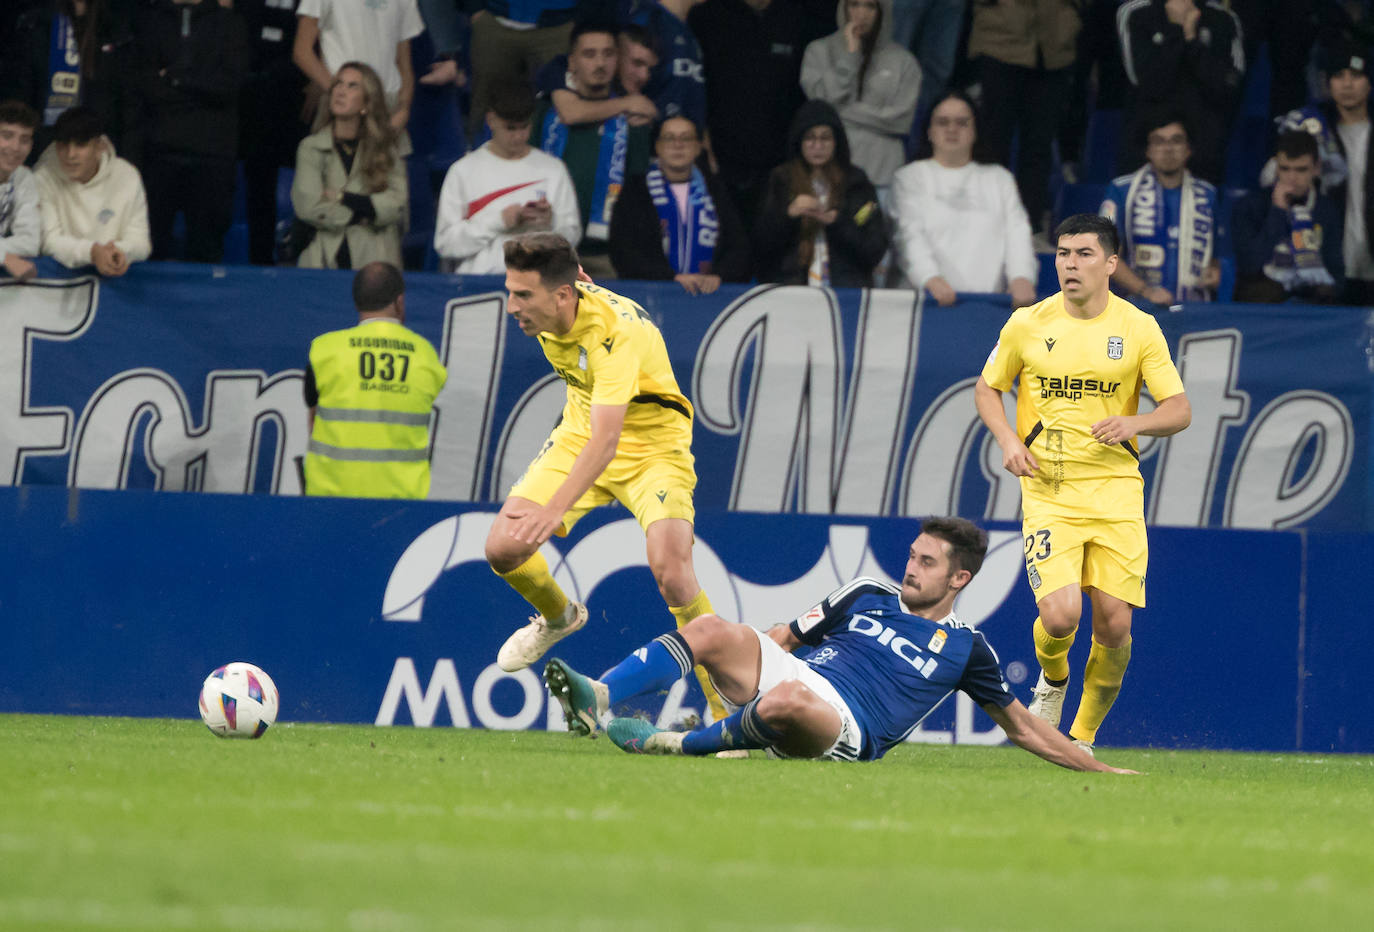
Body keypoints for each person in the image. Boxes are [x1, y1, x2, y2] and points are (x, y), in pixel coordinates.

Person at [542, 516, 1134, 772]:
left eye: (927, 563)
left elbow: (1025, 728)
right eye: (912, 555)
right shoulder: (866, 593)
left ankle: (672, 744)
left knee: (789, 703)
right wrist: (741, 667)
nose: (911, 568)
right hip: (792, 678)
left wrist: (1095, 765)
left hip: (845, 727)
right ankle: (597, 695)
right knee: (714, 629)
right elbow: (784, 638)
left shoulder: (967, 649)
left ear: (959, 579)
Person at [487, 232, 730, 722]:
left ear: (560, 296)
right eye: (510, 291)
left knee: (673, 572)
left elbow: (608, 442)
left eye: (523, 295)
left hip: (653, 447)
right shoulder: (561, 300)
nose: (512, 306)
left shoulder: (613, 337)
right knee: (504, 548)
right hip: (581, 431)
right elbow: (575, 276)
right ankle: (559, 618)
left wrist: (554, 512)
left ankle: (726, 711)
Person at [974, 213, 1191, 755]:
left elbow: (1180, 409)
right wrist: (1008, 440)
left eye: (1084, 254)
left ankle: (1083, 739)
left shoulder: (1139, 328)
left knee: (1114, 626)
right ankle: (1052, 679)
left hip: (1116, 488)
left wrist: (1135, 423)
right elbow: (986, 389)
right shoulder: (1027, 323)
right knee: (1061, 614)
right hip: (1050, 486)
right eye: (1063, 253)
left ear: (1111, 263)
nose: (1070, 264)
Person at [303, 262, 447, 499]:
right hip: (402, 502)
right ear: (399, 302)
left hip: (329, 498)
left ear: (357, 301)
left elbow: (313, 421)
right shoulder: (425, 354)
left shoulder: (324, 350)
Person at [689, 0, 833, 223]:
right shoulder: (707, 17)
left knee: (773, 244)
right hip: (721, 161)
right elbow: (694, 84)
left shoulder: (803, 17)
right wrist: (701, 133)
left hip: (781, 165)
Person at [890, 90, 1037, 306]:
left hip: (987, 305)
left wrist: (1022, 277)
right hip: (926, 303)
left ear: (975, 130)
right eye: (942, 122)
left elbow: (1018, 234)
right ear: (929, 130)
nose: (952, 129)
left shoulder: (999, 178)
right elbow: (908, 236)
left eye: (962, 122)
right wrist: (929, 278)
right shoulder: (908, 178)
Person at [533, 20, 652, 279]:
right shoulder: (545, 113)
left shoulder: (634, 122)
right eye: (589, 54)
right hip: (545, 253)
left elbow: (637, 190)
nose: (600, 63)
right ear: (572, 61)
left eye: (608, 54)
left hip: (605, 256)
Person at [135, 0, 251, 263]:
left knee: (207, 248)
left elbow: (228, 85)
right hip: (159, 150)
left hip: (212, 154)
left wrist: (176, 79)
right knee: (149, 246)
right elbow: (145, 84)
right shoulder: (150, 21)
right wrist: (198, 86)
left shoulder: (230, 23)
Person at [435, 81, 581, 276]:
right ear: (491, 119)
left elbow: (572, 236)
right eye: (511, 128)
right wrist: (499, 221)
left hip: (538, 284)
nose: (519, 136)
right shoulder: (463, 171)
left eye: (525, 127)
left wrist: (552, 222)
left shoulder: (553, 170)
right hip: (479, 285)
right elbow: (445, 244)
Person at [967, 0, 1081, 244]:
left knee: (1039, 145)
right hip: (1001, 42)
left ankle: (1031, 226)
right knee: (994, 143)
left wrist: (1071, 13)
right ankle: (986, 223)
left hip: (1054, 45)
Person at [753, 98, 888, 288]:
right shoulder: (780, 180)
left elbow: (873, 248)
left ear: (836, 142)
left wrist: (836, 223)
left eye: (825, 138)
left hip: (845, 291)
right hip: (791, 292)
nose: (818, 146)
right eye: (810, 138)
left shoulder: (857, 183)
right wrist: (789, 216)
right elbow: (761, 247)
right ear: (799, 141)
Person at [608, 114, 749, 291]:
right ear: (657, 147)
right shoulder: (635, 190)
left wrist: (719, 275)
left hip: (710, 295)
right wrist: (670, 278)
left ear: (698, 147)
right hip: (651, 293)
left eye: (686, 138)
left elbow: (738, 246)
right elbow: (623, 249)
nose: (678, 145)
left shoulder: (718, 190)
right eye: (669, 138)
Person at [291, 62, 408, 271]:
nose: (341, 91)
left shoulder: (385, 148)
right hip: (323, 258)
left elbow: (396, 204)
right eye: (338, 84)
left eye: (352, 86)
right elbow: (308, 207)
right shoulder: (310, 148)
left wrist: (342, 198)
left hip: (376, 258)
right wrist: (365, 213)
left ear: (366, 103)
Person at [800, 0, 921, 200]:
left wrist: (840, 113)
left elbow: (900, 121)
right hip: (828, 174)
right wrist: (850, 56)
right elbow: (820, 108)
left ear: (882, 11)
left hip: (882, 176)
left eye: (870, 6)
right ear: (843, 8)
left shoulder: (904, 61)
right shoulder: (818, 51)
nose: (861, 13)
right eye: (854, 4)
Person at [1116, 0, 1245, 187]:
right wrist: (1176, 29)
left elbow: (1228, 85)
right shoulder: (1135, 13)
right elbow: (1147, 83)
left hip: (1203, 153)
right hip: (1145, 150)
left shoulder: (1224, 18)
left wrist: (1191, 39)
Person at [1100, 113, 1220, 306]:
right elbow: (1105, 255)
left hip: (1194, 312)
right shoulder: (1121, 190)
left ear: (1189, 149)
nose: (1168, 149)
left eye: (1176, 141)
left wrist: (1215, 273)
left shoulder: (1207, 195)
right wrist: (1146, 291)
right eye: (1159, 141)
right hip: (1136, 309)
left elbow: (1220, 256)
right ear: (1148, 150)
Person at [0, 0, 138, 163]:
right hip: (44, 152)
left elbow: (128, 104)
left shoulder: (117, 28)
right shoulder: (35, 24)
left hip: (97, 151)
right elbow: (20, 98)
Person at [33, 105, 150, 276]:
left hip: (114, 281)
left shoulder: (127, 175)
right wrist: (93, 252)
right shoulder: (42, 178)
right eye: (63, 145)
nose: (70, 154)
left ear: (99, 146)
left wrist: (119, 252)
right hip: (59, 283)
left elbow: (141, 242)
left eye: (80, 145)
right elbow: (49, 242)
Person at [1232, 130, 1344, 304]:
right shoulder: (1251, 205)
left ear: (1316, 168)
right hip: (1261, 306)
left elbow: (1336, 273)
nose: (1291, 178)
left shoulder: (1326, 210)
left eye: (1301, 170)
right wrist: (1277, 211)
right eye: (1285, 169)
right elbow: (1249, 266)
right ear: (1276, 167)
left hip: (1311, 308)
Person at [293, 0, 423, 132]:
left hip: (387, 103)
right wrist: (338, 92)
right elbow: (302, 52)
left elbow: (404, 63)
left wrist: (404, 108)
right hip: (341, 104)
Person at [0, 100, 41, 281]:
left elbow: (30, 243)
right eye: (7, 136)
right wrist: (5, 257)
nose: (15, 147)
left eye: (24, 140)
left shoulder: (24, 177)